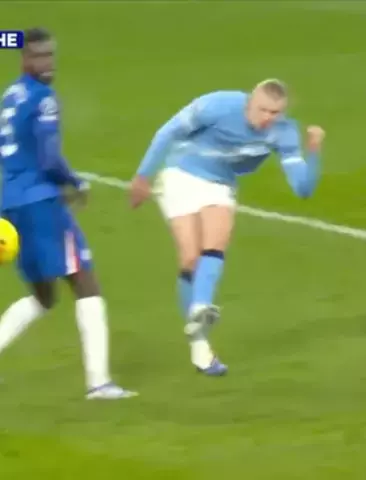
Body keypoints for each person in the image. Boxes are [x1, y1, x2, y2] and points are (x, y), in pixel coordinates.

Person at [130, 79, 324, 375]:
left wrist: (314, 151)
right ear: (250, 102)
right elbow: (167, 131)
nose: (267, 118)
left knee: (215, 239)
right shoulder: (217, 105)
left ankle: (200, 314)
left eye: (275, 113)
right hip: (181, 173)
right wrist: (143, 176)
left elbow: (303, 189)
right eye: (262, 110)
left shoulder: (284, 132)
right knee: (189, 259)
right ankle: (199, 336)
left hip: (220, 184)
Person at [0, 28, 136, 399]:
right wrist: (75, 182)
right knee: (85, 281)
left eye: (50, 55)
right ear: (24, 59)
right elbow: (49, 158)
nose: (48, 63)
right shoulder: (44, 99)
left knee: (44, 296)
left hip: (11, 204)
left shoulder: (10, 95)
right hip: (41, 203)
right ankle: (99, 383)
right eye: (39, 56)